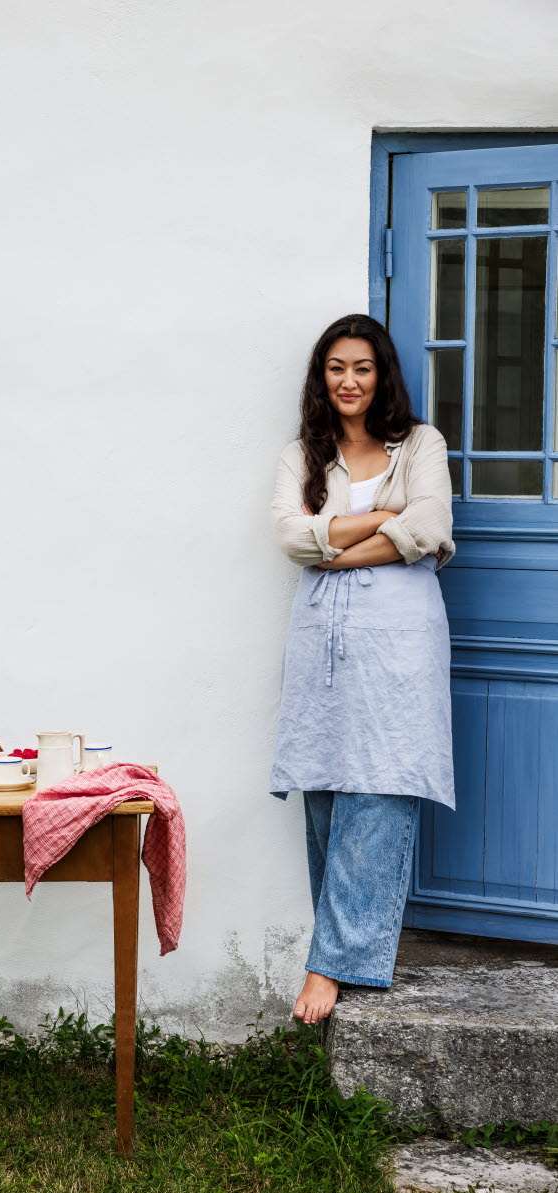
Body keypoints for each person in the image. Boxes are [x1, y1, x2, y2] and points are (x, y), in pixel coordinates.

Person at [269, 313, 456, 1026]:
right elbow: (291, 534)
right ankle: (342, 950)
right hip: (321, 636)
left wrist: (333, 546)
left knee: (381, 780)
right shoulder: (303, 454)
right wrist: (383, 518)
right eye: (335, 367)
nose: (348, 380)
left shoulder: (419, 443)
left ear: (382, 375)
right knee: (324, 785)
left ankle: (330, 963)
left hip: (399, 637)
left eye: (362, 367)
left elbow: (430, 524)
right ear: (322, 377)